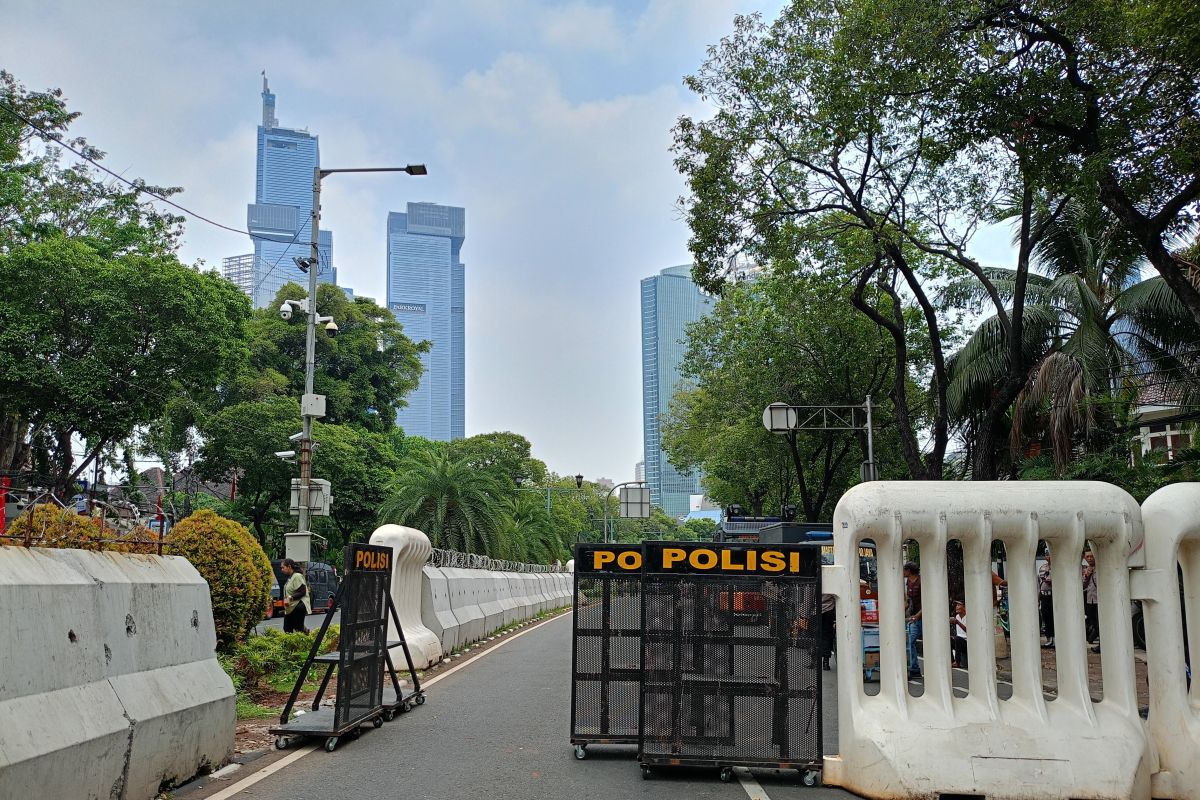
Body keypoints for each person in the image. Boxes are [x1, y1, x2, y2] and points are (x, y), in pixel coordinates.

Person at [280, 558, 311, 634]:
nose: (282, 570)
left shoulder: (297, 576)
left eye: (283, 567)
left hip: (298, 605)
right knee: (288, 628)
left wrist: (290, 598)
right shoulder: (291, 577)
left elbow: (302, 591)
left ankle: (306, 639)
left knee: (296, 628)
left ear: (289, 566)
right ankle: (305, 633)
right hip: (291, 606)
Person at [904, 561, 922, 679]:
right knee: (910, 641)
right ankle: (914, 668)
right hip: (914, 616)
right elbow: (908, 600)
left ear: (909, 571)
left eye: (904, 570)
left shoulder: (921, 582)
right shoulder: (908, 582)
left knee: (911, 641)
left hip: (922, 616)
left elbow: (927, 600)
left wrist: (918, 615)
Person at [1083, 550, 1100, 650]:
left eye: (1091, 556)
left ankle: (1102, 645)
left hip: (1099, 599)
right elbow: (1083, 586)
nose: (1089, 559)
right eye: (1087, 557)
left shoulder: (1100, 567)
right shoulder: (1086, 569)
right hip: (1090, 599)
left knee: (1100, 622)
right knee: (1093, 622)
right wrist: (1087, 576)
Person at [1038, 553, 1055, 648]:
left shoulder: (1058, 566)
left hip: (1053, 595)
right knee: (1046, 618)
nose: (1049, 556)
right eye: (1047, 554)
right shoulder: (1042, 568)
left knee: (1054, 618)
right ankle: (1049, 639)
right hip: (1044, 596)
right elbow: (1039, 582)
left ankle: (1056, 639)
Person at [950, 600, 968, 668]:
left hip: (967, 643)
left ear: (965, 607)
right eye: (956, 605)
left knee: (957, 639)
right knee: (949, 639)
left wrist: (958, 622)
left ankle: (957, 662)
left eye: (959, 605)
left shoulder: (968, 616)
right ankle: (951, 660)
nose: (956, 607)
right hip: (959, 641)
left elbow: (968, 631)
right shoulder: (957, 616)